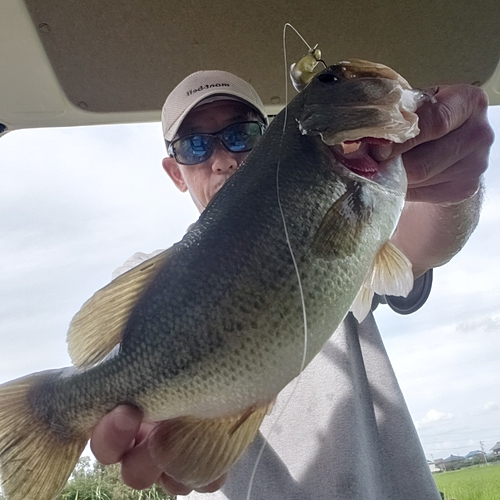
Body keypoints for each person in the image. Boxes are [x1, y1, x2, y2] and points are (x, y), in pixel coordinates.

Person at [90, 69, 493, 499]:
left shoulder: (330, 220)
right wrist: (135, 416)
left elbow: (424, 240)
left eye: (241, 134)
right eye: (196, 145)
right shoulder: (149, 276)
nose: (222, 158)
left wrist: (453, 185)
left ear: (267, 139)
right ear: (175, 173)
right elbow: (111, 364)